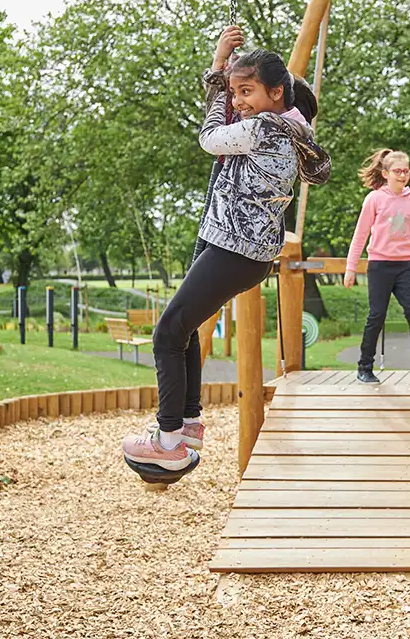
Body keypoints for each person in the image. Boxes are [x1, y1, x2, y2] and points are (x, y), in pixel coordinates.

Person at [122, 25, 330, 471]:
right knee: (185, 328)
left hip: (234, 248)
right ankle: (189, 422)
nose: (237, 100)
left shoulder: (266, 128)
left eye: (247, 91)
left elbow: (211, 136)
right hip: (239, 248)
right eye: (235, 91)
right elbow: (228, 123)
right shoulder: (283, 126)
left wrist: (219, 74)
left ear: (277, 92)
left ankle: (169, 439)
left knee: (165, 333)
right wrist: (221, 72)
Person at [345, 149, 410, 385]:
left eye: (406, 171)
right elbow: (360, 236)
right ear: (386, 173)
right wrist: (351, 268)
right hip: (379, 265)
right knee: (377, 315)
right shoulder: (374, 199)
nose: (403, 175)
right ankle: (364, 367)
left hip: (404, 265)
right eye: (398, 171)